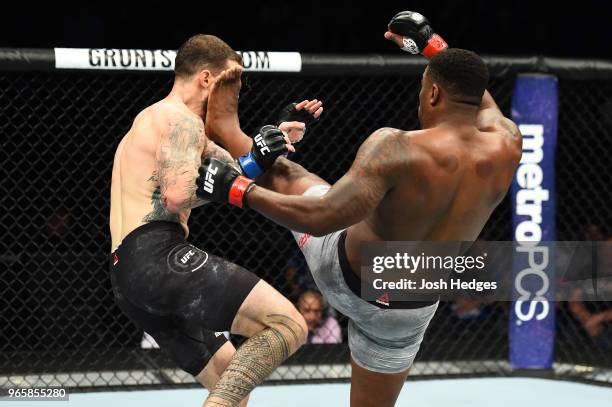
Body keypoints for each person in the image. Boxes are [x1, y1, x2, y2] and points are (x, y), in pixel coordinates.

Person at [196, 12, 522, 407]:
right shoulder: (507, 142)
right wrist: (433, 45)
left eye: (424, 89)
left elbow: (322, 219)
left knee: (285, 174)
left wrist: (237, 189)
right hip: (409, 308)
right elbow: (478, 94)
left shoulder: (397, 146)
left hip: (343, 274)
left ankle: (227, 128)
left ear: (433, 94)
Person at [108, 34, 322, 407]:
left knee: (230, 385)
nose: (233, 98)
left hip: (128, 275)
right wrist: (237, 180)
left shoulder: (156, 119)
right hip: (158, 257)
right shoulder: (181, 121)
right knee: (288, 325)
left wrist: (274, 138)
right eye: (230, 85)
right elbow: (178, 195)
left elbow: (239, 168)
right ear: (207, 79)